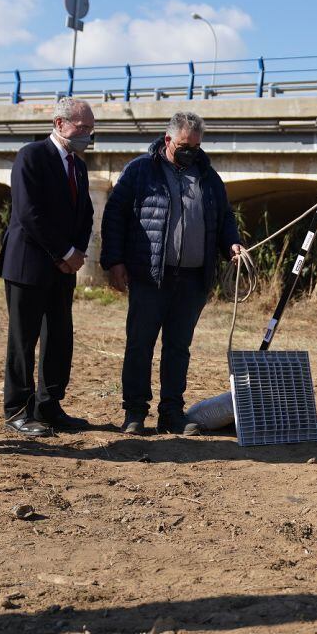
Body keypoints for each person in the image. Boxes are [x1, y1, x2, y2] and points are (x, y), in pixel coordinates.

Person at [100, 111, 242, 436]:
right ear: (168, 140)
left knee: (178, 348)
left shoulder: (208, 177)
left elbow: (224, 218)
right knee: (140, 344)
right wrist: (114, 262)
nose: (190, 150)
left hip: (192, 280)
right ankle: (135, 413)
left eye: (195, 145)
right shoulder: (140, 171)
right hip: (150, 275)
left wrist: (232, 244)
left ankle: (172, 413)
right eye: (183, 144)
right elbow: (114, 216)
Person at [0, 97, 94, 436]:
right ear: (59, 124)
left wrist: (77, 252)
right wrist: (64, 251)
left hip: (64, 268)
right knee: (23, 340)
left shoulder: (78, 165)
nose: (86, 135)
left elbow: (87, 213)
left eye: (90, 130)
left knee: (59, 337)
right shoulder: (31, 156)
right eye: (82, 128)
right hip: (28, 265)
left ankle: (49, 405)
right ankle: (18, 411)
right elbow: (28, 212)